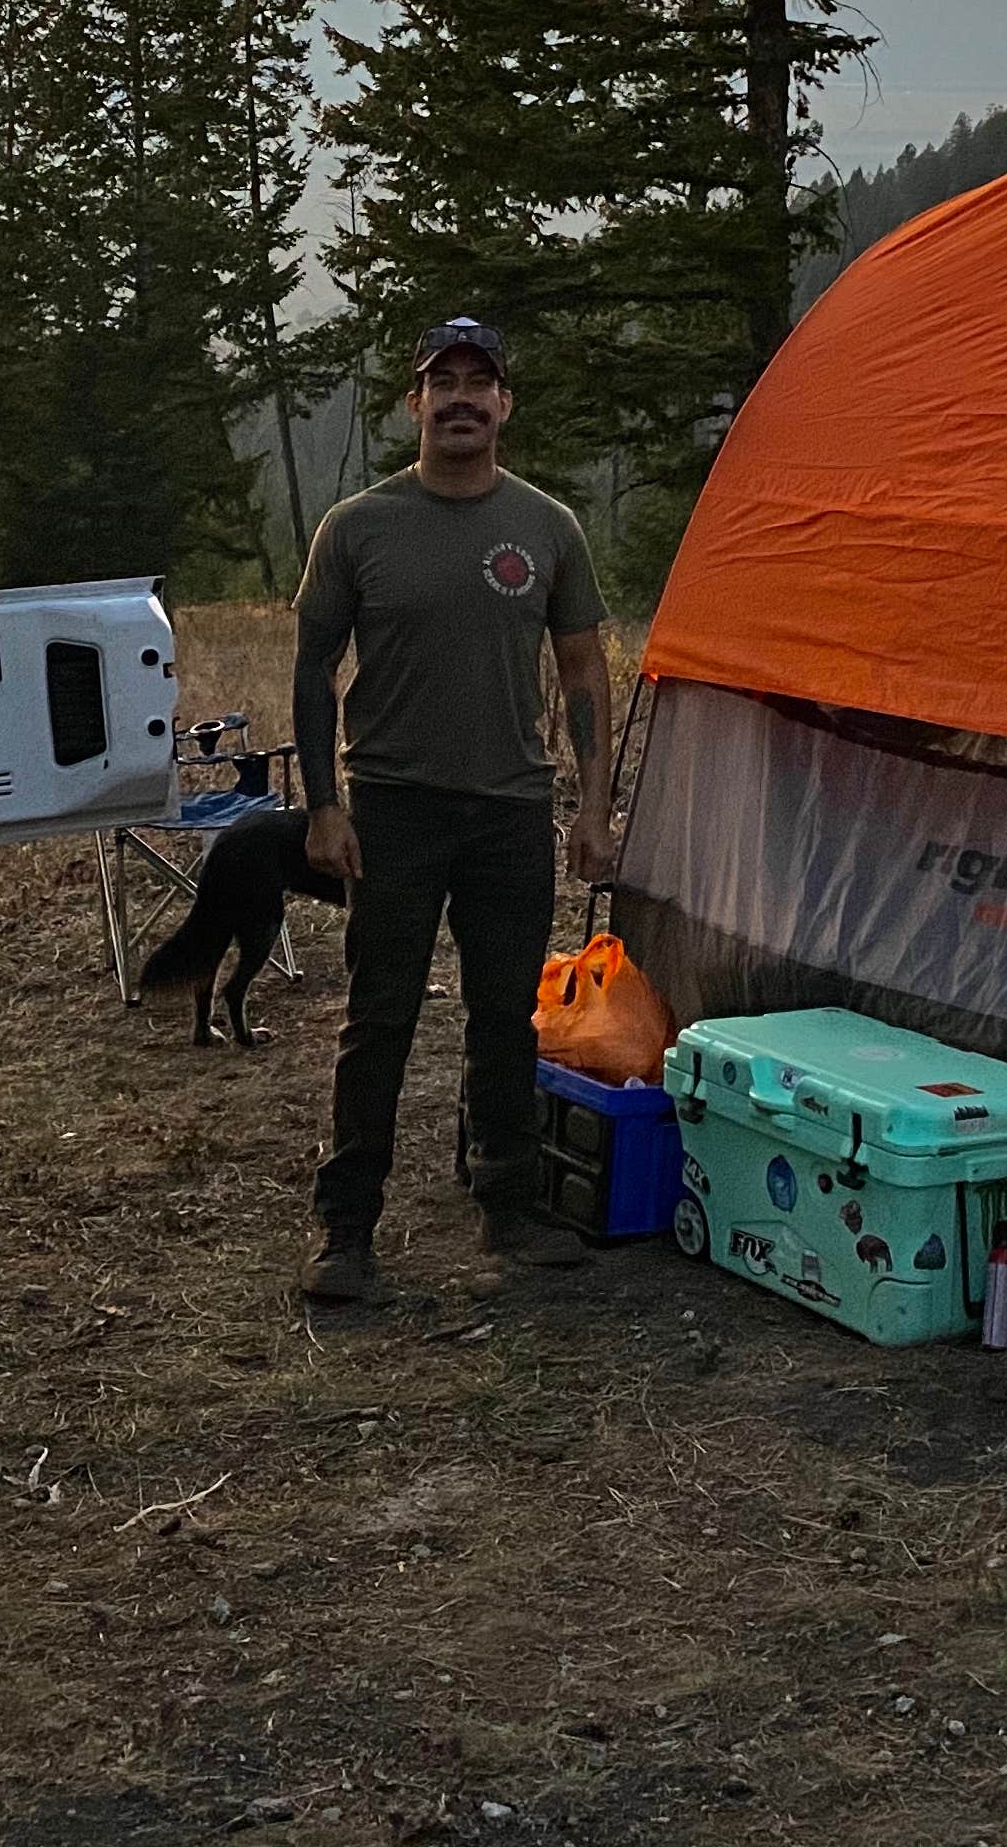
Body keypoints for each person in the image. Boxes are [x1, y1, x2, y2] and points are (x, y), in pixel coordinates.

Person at [291, 316, 615, 1302]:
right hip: (392, 809)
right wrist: (321, 806)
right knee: (378, 1016)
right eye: (446, 383)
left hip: (510, 813)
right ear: (415, 403)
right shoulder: (357, 527)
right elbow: (312, 667)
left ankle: (508, 1206)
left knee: (504, 1020)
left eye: (482, 382)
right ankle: (346, 1229)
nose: (463, 399)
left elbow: (582, 668)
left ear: (504, 405)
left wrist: (593, 807)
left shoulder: (547, 527)